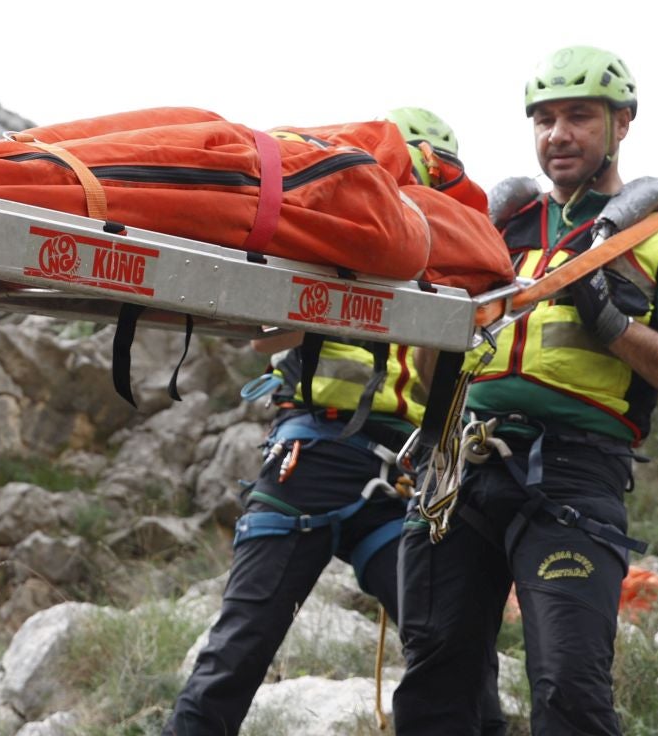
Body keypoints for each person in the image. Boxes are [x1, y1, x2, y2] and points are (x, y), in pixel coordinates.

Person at [393, 46, 658, 736]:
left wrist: (613, 324)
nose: (559, 134)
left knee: (569, 692)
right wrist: (442, 313)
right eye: (545, 119)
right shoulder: (493, 232)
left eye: (580, 116)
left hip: (575, 479)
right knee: (436, 681)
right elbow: (429, 376)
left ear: (623, 124)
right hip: (459, 471)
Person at [164, 112, 505, 736]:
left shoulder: (442, 268)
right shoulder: (342, 241)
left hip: (393, 477)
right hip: (313, 461)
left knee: (456, 651)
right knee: (241, 649)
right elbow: (267, 338)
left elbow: (436, 388)